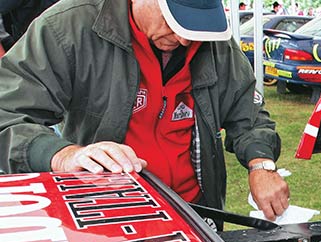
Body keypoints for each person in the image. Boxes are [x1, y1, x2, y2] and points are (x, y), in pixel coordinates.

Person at [0, 0, 288, 221]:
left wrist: (260, 164)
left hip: (196, 216)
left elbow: (246, 111)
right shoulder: (68, 27)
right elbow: (8, 113)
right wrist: (64, 156)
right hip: (106, 217)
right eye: (174, 21)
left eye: (192, 27)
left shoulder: (211, 42)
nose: (185, 39)